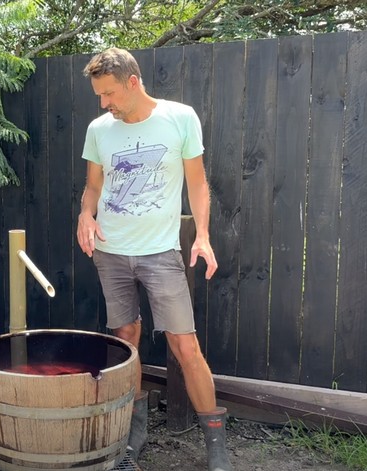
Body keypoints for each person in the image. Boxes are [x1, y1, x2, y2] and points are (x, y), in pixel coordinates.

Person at [77, 47, 233, 471]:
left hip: (161, 252)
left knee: (185, 345)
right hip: (110, 253)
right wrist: (84, 214)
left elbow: (198, 183)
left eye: (109, 94)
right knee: (125, 341)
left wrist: (202, 235)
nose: (103, 104)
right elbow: (93, 186)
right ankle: (135, 429)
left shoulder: (179, 118)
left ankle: (215, 442)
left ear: (133, 82)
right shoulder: (99, 128)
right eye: (99, 96)